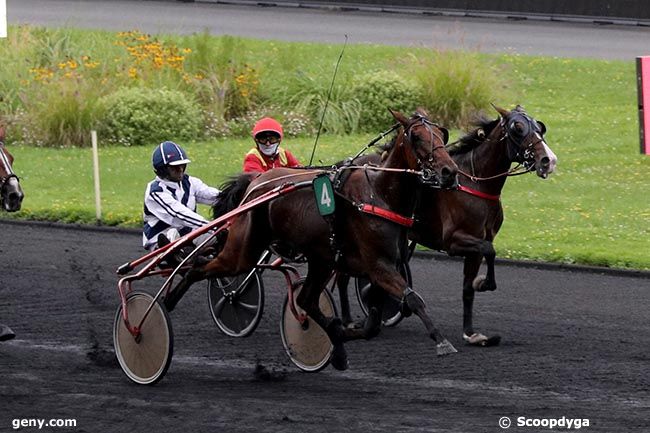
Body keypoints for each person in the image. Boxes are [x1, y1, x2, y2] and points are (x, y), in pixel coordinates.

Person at [143, 141, 221, 252]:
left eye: (182, 165)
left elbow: (212, 196)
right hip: (161, 238)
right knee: (172, 234)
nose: (180, 170)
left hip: (187, 232)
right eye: (174, 167)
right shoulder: (155, 192)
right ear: (163, 170)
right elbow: (179, 214)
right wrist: (212, 226)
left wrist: (237, 195)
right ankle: (175, 255)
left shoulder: (190, 182)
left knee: (220, 238)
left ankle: (196, 255)